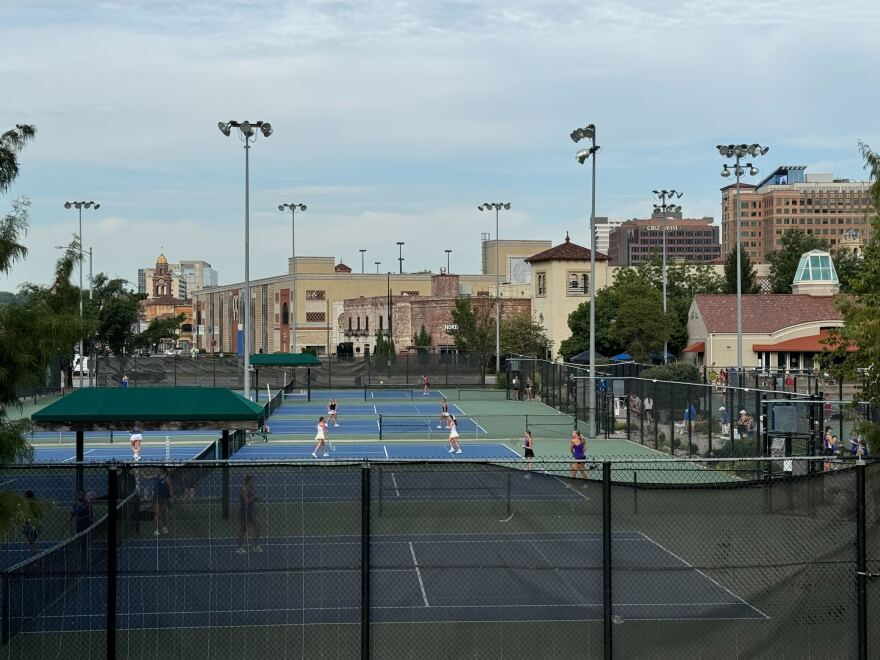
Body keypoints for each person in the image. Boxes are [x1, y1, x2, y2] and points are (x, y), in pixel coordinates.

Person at [236, 475, 262, 554]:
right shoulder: (244, 489)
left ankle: (255, 546)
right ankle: (239, 548)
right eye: (252, 481)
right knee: (243, 530)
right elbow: (246, 501)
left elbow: (250, 502)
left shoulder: (250, 489)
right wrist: (255, 498)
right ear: (248, 481)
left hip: (251, 512)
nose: (253, 482)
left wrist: (255, 504)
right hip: (244, 512)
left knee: (258, 527)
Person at [152, 468, 174, 536]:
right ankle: (156, 530)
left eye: (158, 469)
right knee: (157, 514)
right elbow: (146, 477)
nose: (157, 470)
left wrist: (171, 497)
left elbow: (170, 488)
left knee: (163, 514)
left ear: (162, 470)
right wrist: (140, 470)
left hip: (164, 498)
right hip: (156, 498)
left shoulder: (167, 479)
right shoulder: (156, 476)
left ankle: (164, 527)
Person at [20, 490, 39, 556]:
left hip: (30, 526)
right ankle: (35, 557)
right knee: (31, 543)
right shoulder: (33, 503)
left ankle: (36, 557)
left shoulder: (29, 505)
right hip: (31, 525)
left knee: (30, 542)